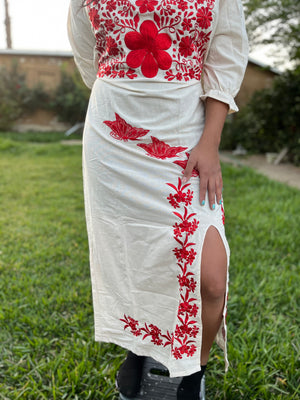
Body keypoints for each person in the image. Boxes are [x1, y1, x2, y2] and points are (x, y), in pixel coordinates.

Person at [68, 0, 248, 398]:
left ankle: (195, 372)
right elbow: (87, 54)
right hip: (114, 135)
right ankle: (138, 350)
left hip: (186, 132)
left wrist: (211, 142)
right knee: (134, 252)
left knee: (211, 277)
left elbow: (226, 54)